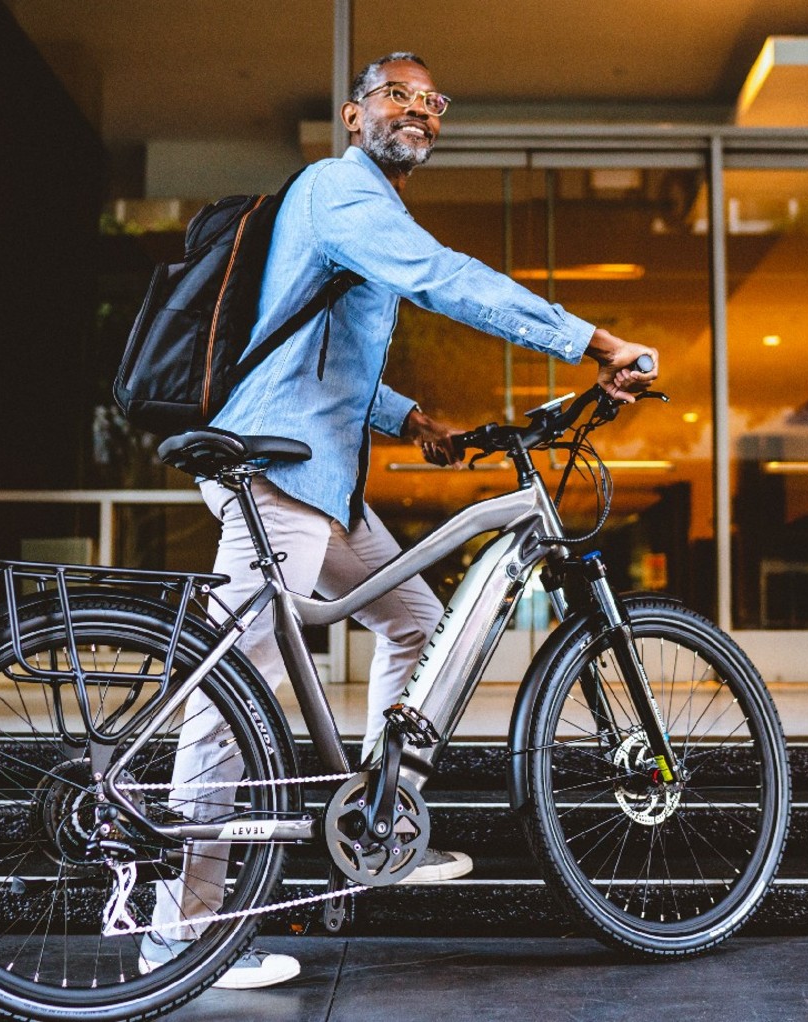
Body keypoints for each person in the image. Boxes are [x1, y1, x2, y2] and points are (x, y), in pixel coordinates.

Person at [141, 51, 659, 989]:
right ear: (353, 114)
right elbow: (440, 277)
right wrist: (590, 340)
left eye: (432, 101)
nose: (417, 110)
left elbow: (315, 350)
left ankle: (384, 820)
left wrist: (415, 421)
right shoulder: (339, 192)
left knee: (416, 619)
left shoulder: (361, 209)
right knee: (234, 688)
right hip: (275, 473)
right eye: (397, 96)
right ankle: (178, 929)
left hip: (320, 480)